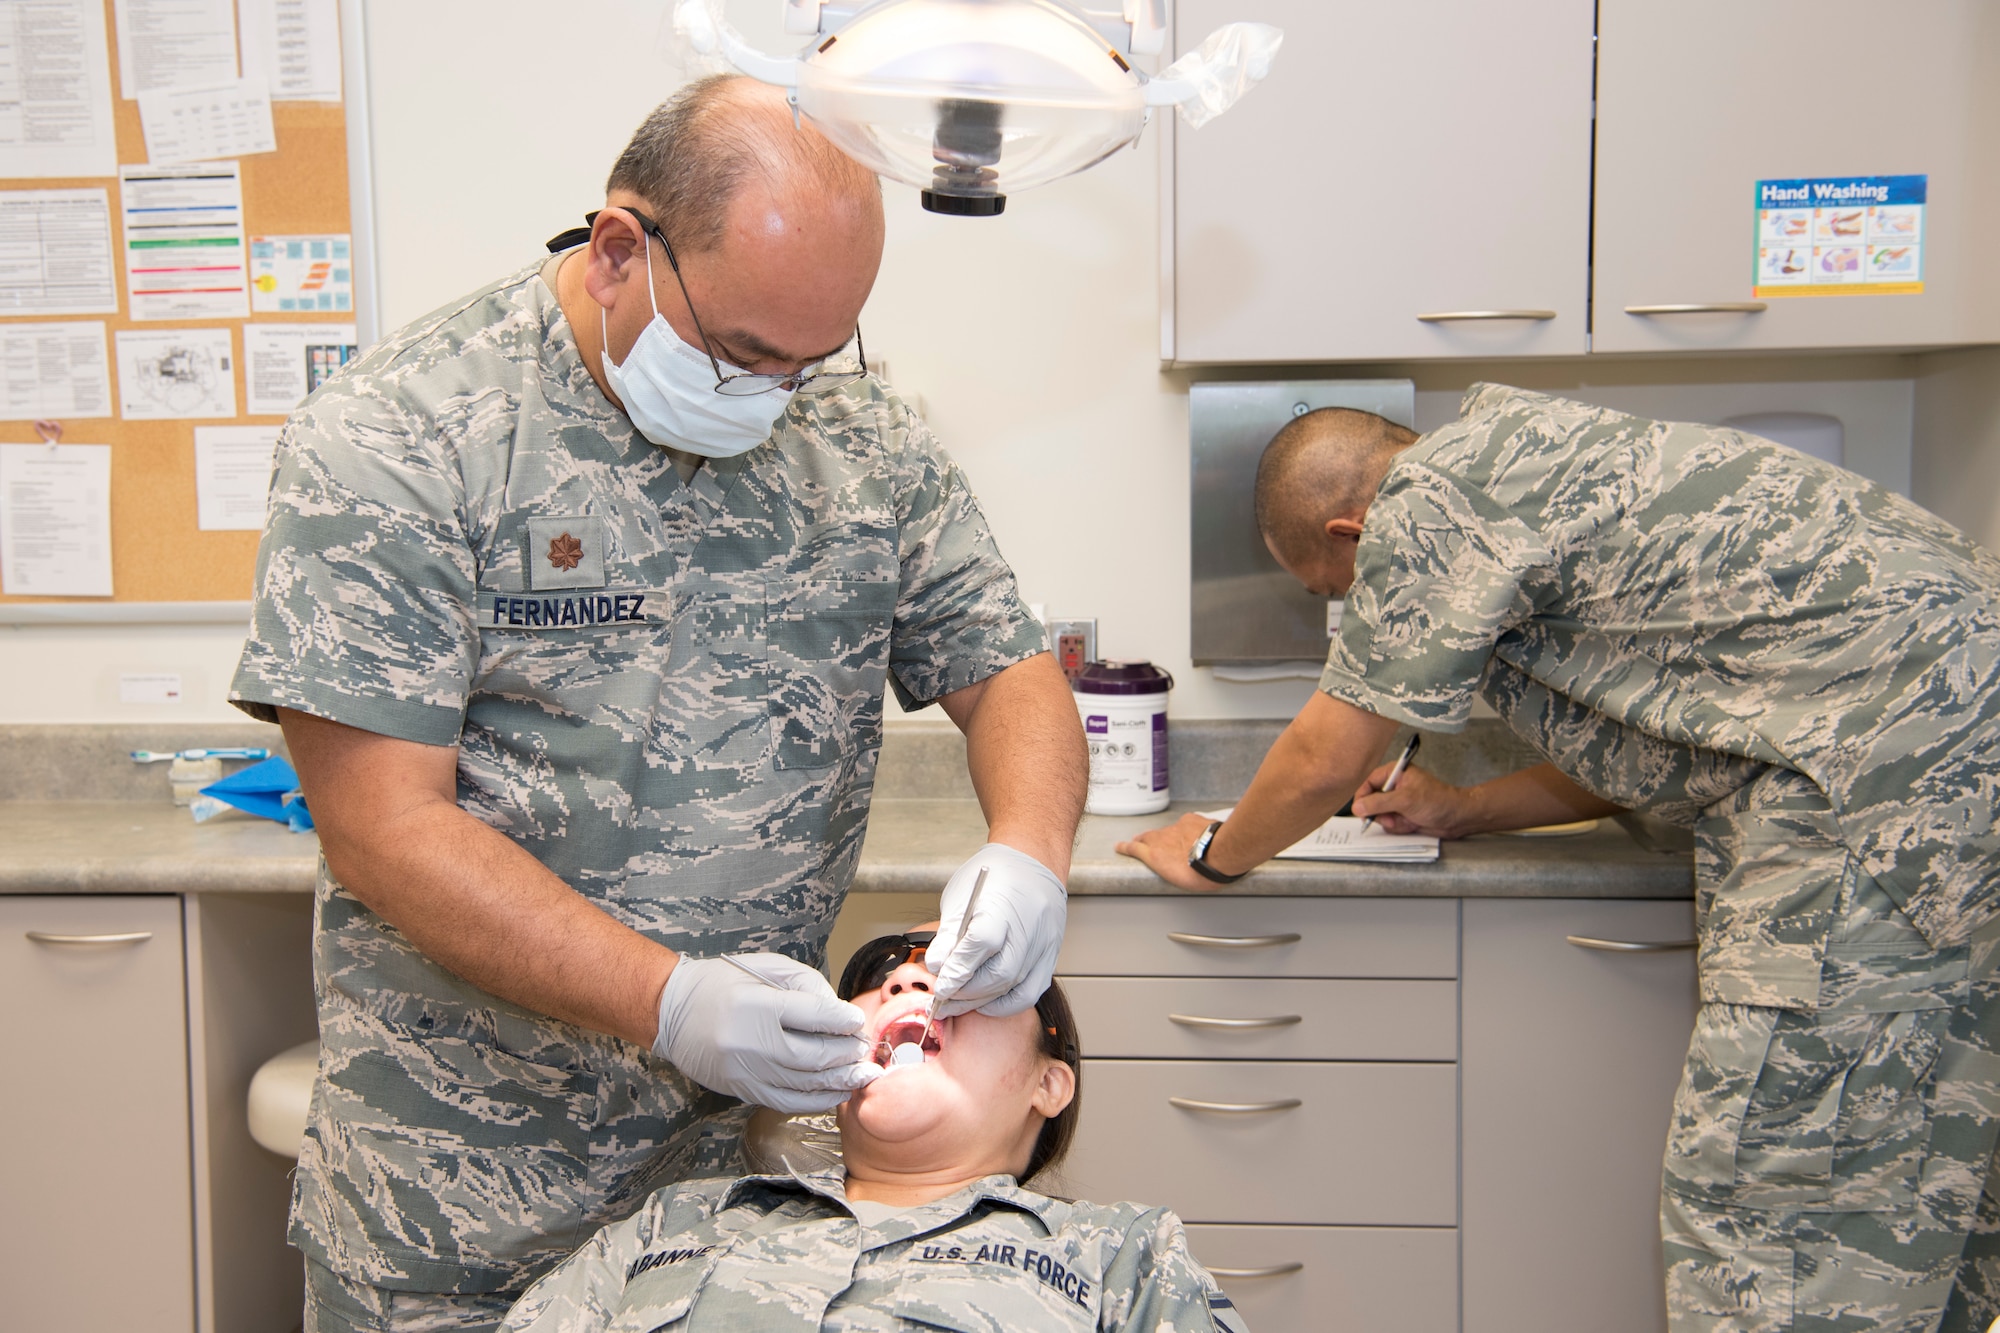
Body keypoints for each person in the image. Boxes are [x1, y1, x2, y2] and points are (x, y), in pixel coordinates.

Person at [228, 74, 1085, 1328]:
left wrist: (1031, 851)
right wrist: (669, 1002)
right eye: (744, 353)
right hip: (453, 1202)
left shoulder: (859, 439)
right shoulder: (399, 440)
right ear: (621, 248)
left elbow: (1006, 670)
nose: (778, 393)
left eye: (813, 355)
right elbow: (384, 825)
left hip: (715, 1210)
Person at [1117, 384, 2000, 1332]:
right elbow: (1654, 747)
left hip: (1877, 788)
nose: (1351, 613)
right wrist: (1462, 810)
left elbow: (1322, 760)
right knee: (1914, 1179)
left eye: (1338, 592)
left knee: (1775, 1207)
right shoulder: (1538, 470)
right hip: (1941, 772)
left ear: (1348, 531)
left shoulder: (1428, 499)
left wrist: (1213, 852)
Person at [495, 929, 1247, 1332]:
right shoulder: (672, 1223)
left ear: (1049, 1082)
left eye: (977, 975)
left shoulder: (1125, 1259)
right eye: (885, 967)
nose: (907, 980)